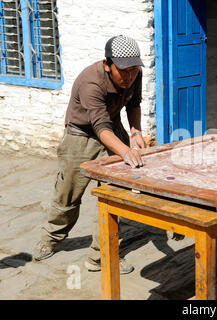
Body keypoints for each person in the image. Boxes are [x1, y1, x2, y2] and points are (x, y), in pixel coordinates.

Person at [33, 35, 146, 274]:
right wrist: (126, 151)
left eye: (134, 70)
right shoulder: (90, 82)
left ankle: (101, 255)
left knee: (116, 195)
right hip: (81, 136)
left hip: (113, 129)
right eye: (123, 71)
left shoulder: (135, 75)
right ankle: (51, 238)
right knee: (68, 195)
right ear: (108, 64)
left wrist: (135, 133)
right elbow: (99, 126)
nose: (129, 76)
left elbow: (133, 104)